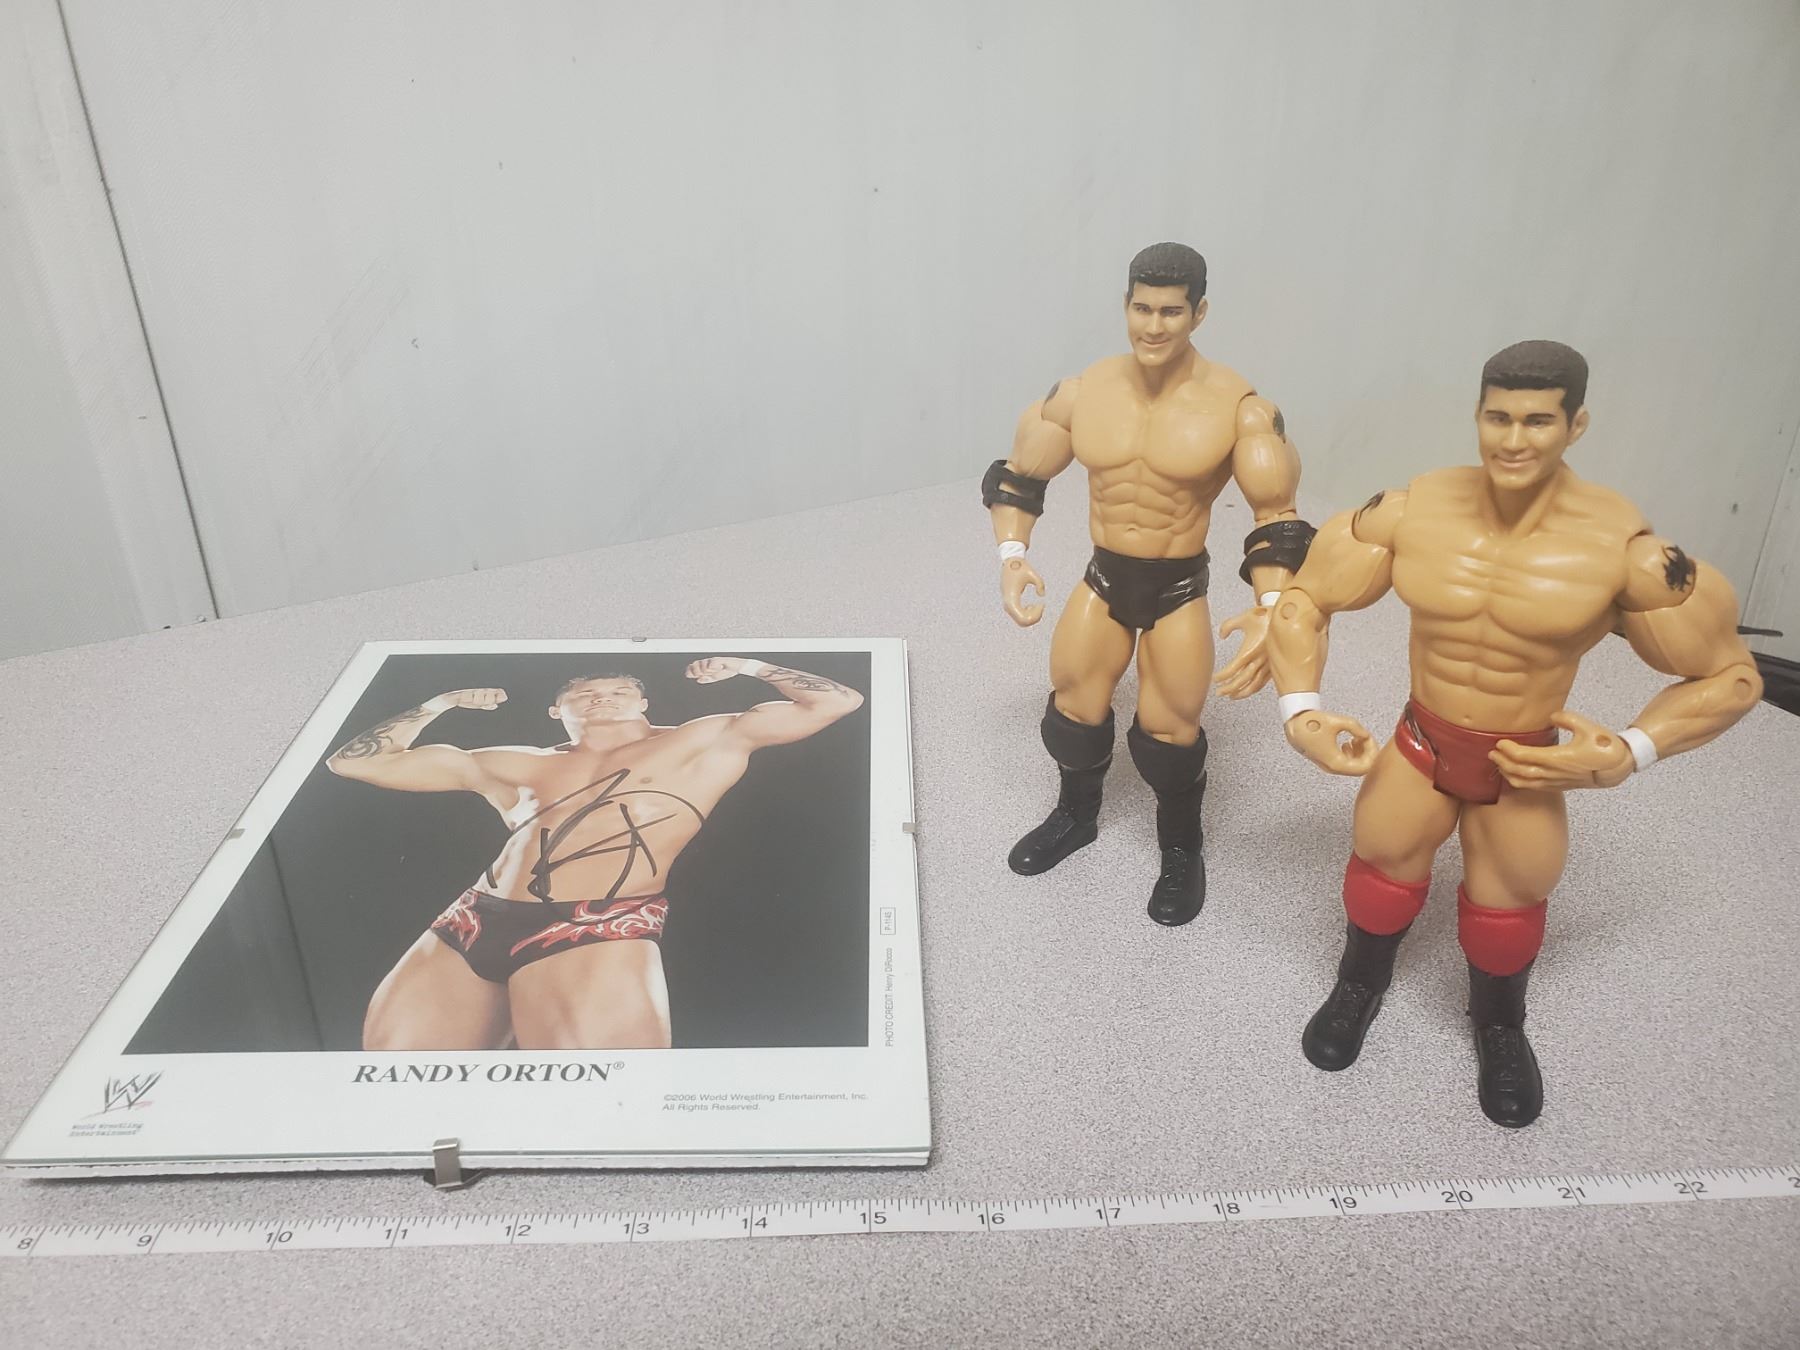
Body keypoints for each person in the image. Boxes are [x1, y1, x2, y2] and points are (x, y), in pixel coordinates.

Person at [1263, 340, 1762, 1126]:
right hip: (1422, 741)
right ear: (1477, 416)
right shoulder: (1413, 511)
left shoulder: (1623, 551)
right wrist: (1302, 711)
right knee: (1381, 864)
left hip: (1523, 762)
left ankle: (1499, 1025)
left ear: (1575, 425)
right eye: (1499, 418)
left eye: (1538, 421)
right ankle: (1360, 982)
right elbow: (1304, 601)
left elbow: (1731, 678)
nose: (1514, 439)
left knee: (1510, 902)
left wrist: (1631, 751)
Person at [983, 241, 1317, 925]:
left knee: (1168, 734)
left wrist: (1271, 606)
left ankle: (1181, 848)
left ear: (1199, 313)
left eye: (1171, 312)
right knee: (1074, 708)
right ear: (1126, 306)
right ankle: (1076, 816)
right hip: (1104, 575)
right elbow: (1019, 475)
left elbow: (1277, 519)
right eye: (1142, 309)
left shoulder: (1239, 408)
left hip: (1176, 587)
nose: (1154, 326)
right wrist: (1013, 556)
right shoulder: (1083, 392)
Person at [325, 658, 864, 1051]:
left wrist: (749, 667)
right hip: (470, 921)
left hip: (595, 925)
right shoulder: (514, 761)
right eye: (584, 693)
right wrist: (439, 705)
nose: (601, 698)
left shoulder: (704, 739)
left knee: (603, 1101)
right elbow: (354, 764)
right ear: (556, 710)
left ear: (643, 704)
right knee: (399, 1081)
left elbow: (836, 701)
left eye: (618, 691)